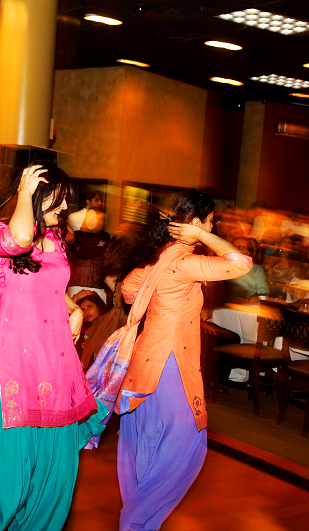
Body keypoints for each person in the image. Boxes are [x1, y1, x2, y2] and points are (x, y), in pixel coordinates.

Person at [89, 190, 252, 531]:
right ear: (195, 224)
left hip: (144, 361)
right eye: (210, 223)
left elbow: (130, 292)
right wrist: (203, 237)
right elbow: (241, 264)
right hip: (170, 364)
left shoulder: (159, 257)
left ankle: (136, 522)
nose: (212, 227)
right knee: (186, 446)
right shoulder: (182, 261)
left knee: (144, 441)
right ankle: (136, 523)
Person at [0, 162, 107, 531]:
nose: (64, 209)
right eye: (58, 199)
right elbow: (20, 238)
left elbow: (52, 288)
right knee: (4, 476)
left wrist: (73, 310)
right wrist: (24, 193)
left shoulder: (56, 239)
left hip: (56, 363)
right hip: (13, 365)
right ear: (36, 192)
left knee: (56, 475)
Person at [224, 237, 269, 303]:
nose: (235, 250)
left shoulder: (256, 270)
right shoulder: (223, 266)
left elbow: (264, 294)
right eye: (233, 246)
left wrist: (250, 300)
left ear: (248, 252)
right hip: (224, 306)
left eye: (240, 248)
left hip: (246, 308)